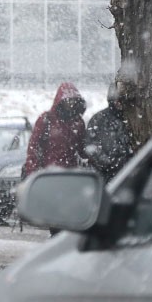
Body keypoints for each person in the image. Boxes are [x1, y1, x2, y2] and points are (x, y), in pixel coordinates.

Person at [23, 82, 87, 236]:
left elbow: (82, 149)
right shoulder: (46, 120)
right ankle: (58, 241)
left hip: (70, 177)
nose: (71, 104)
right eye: (68, 100)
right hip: (51, 176)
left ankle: (61, 243)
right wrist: (33, 173)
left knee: (68, 217)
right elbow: (34, 148)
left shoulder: (78, 122)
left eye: (73, 101)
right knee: (56, 219)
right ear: (61, 101)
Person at [85, 82, 133, 182]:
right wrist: (109, 163)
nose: (120, 103)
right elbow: (91, 147)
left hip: (130, 174)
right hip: (105, 176)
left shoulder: (132, 119)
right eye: (117, 100)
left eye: (122, 100)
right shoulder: (98, 119)